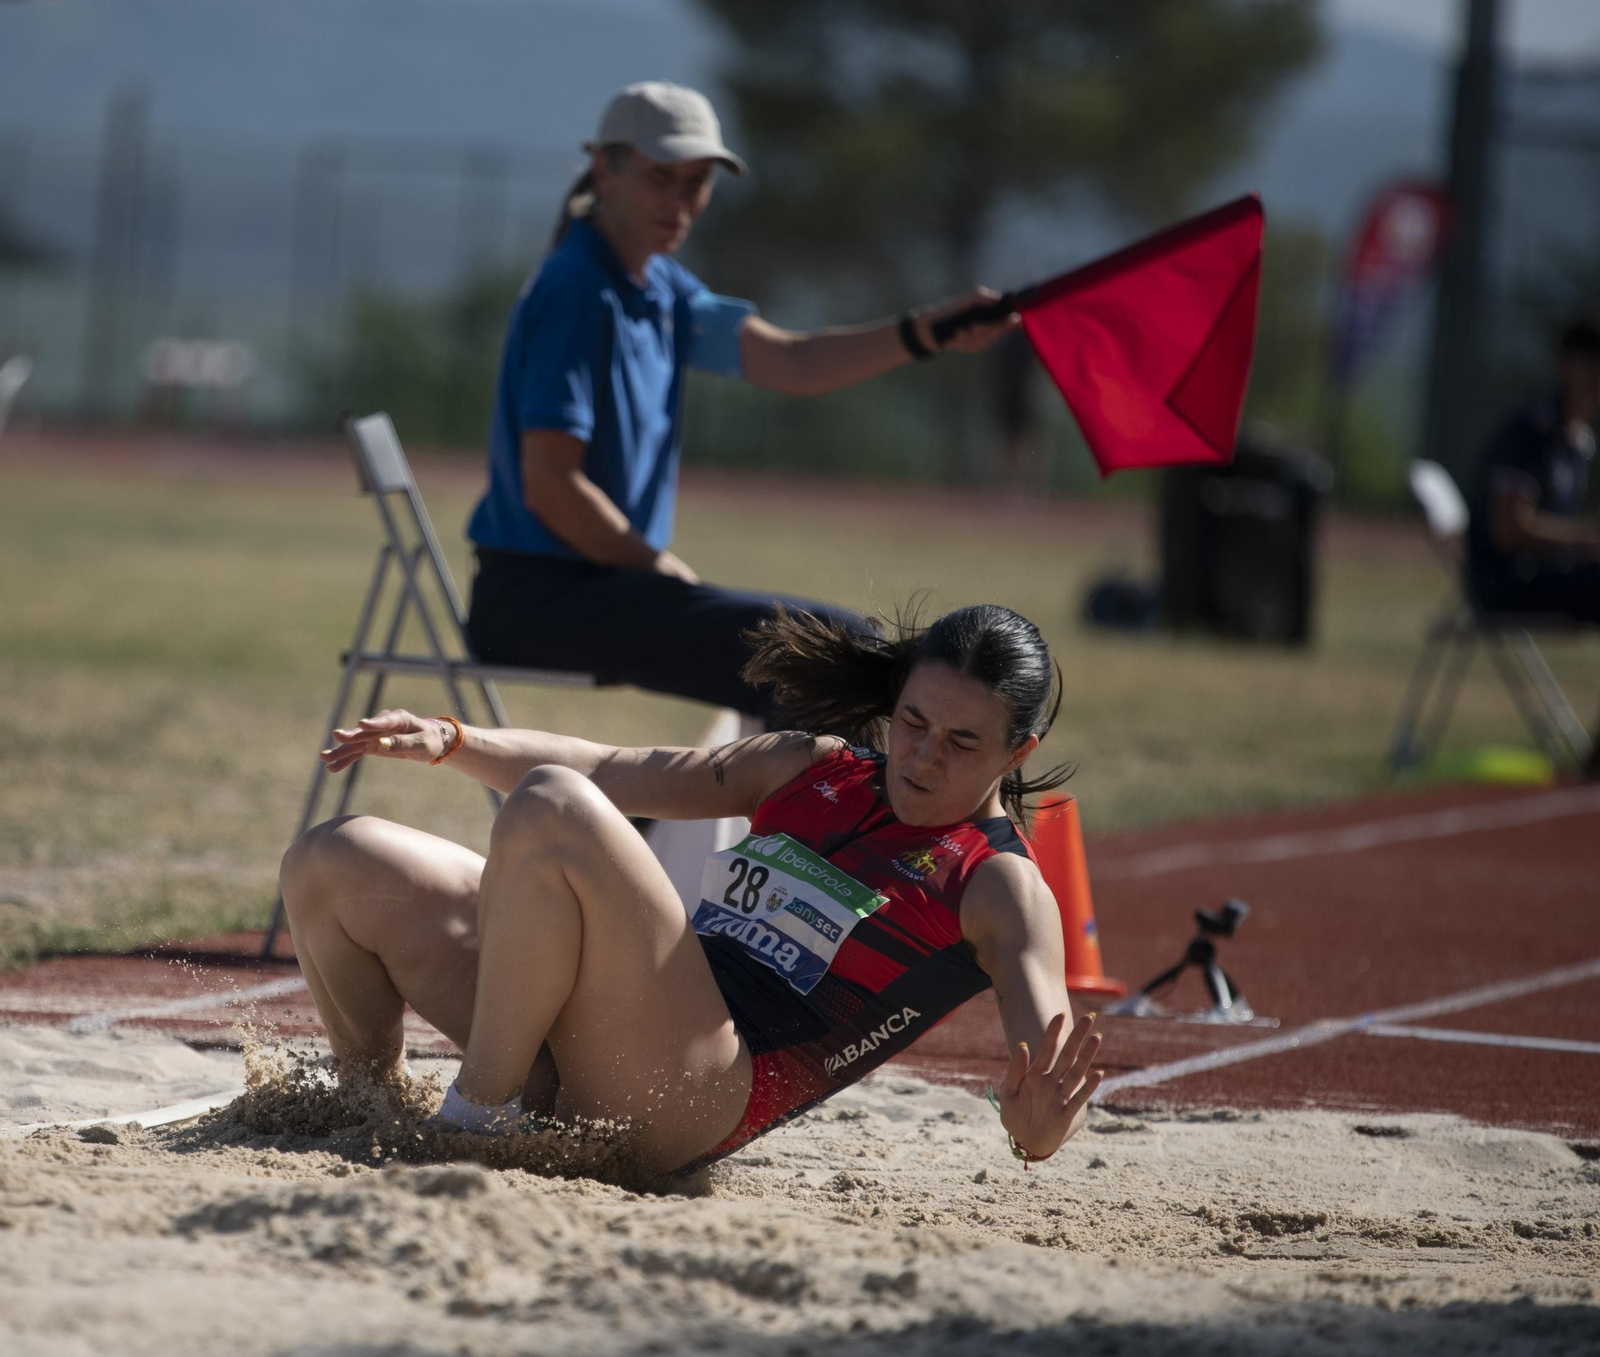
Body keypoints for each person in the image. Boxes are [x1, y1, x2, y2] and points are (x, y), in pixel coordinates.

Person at [280, 603, 1103, 1175]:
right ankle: (364, 1094)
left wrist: (1035, 1131)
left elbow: (1047, 1064)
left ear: (1017, 752)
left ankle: (474, 1116)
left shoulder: (999, 884)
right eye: (914, 722)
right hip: (599, 1033)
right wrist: (450, 739)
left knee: (552, 806)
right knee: (335, 858)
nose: (922, 758)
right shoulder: (816, 766)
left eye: (962, 742)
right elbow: (613, 767)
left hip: (693, 1093)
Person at [464, 81, 1019, 721]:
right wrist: (660, 569)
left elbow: (793, 360)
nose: (680, 202)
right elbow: (551, 485)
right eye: (661, 177)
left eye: (696, 182)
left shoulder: (659, 283)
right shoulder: (577, 290)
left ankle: (688, 819)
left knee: (835, 652)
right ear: (604, 171)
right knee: (834, 656)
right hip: (536, 603)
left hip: (598, 589)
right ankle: (771, 822)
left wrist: (927, 331)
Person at [1465, 316, 1600, 775]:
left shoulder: (1579, 443)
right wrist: (1589, 541)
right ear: (1566, 366)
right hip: (1504, 581)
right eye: (1590, 364)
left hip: (1543, 576)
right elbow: (1510, 531)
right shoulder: (1531, 430)